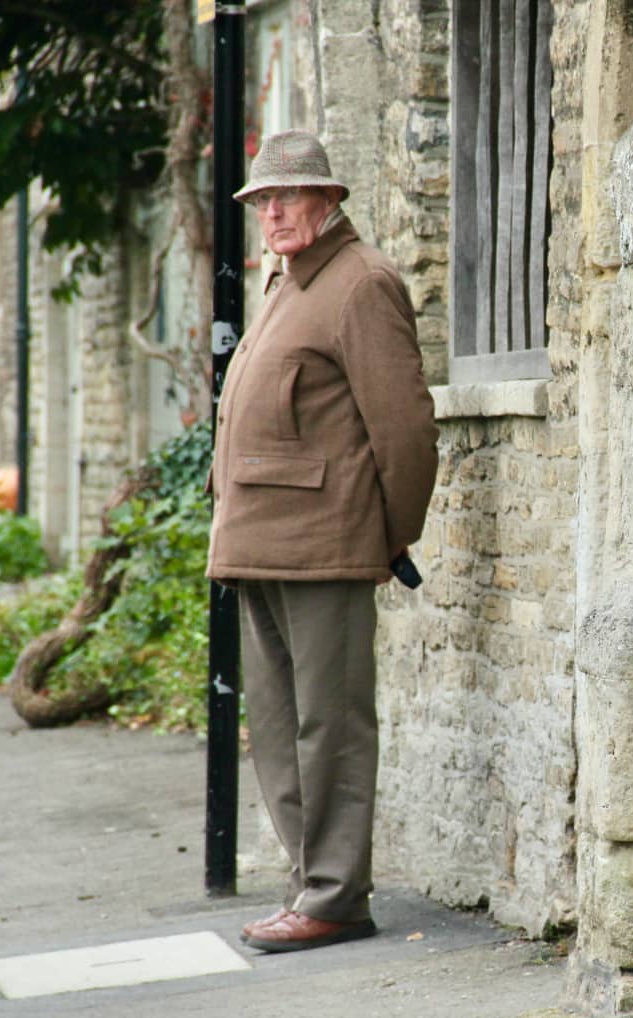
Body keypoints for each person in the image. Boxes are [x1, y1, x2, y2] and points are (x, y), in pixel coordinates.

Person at [207, 129, 438, 953]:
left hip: (327, 541)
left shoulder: (360, 282)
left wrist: (386, 535)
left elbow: (405, 432)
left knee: (330, 725)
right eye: (263, 200)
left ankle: (337, 894)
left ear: (330, 200)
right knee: (275, 725)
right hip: (258, 540)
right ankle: (312, 883)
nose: (273, 212)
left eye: (289, 196)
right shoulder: (289, 280)